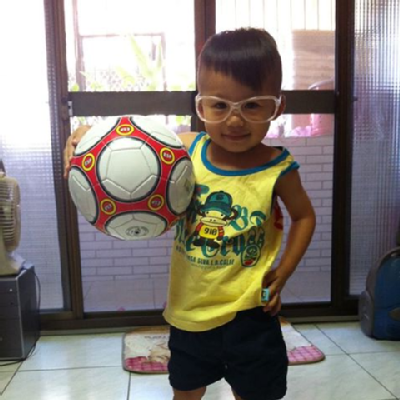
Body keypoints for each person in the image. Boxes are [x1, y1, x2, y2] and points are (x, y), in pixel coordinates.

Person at [64, 28, 316, 400]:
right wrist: (85, 134)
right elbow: (129, 136)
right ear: (200, 105)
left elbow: (304, 216)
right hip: (189, 313)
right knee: (186, 393)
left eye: (251, 105)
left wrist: (284, 271)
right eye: (219, 105)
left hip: (252, 314)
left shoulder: (279, 168)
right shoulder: (184, 151)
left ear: (277, 107)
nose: (234, 120)